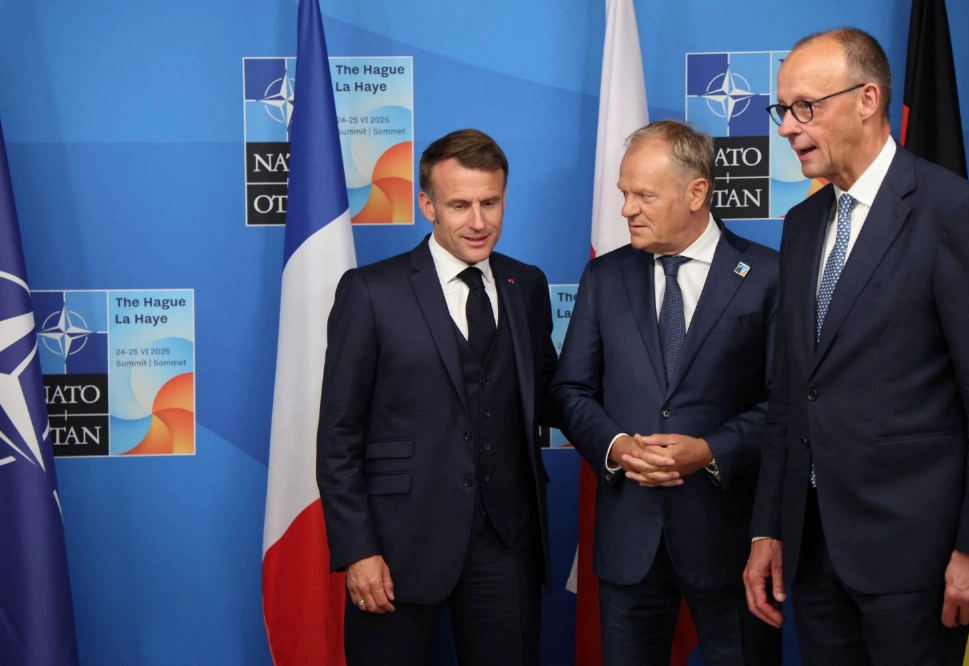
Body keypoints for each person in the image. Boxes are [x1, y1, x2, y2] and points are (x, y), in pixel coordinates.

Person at [744, 28, 969, 666]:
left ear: (867, 99)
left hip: (920, 560)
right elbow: (791, 395)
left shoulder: (954, 213)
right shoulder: (802, 226)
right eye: (784, 110)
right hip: (814, 552)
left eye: (806, 107)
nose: (786, 128)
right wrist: (770, 526)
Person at [316, 129, 558, 666]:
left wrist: (624, 434)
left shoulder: (528, 284)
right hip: (397, 544)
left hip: (505, 540)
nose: (478, 221)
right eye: (460, 205)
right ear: (427, 204)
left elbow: (551, 394)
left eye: (490, 203)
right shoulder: (370, 291)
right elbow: (339, 433)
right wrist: (357, 550)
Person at [552, 119, 781, 666]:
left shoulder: (770, 274)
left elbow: (789, 404)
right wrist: (617, 447)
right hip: (630, 540)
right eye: (624, 194)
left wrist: (710, 450)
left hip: (731, 543)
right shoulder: (604, 278)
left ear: (697, 191)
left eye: (643, 195)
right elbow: (570, 391)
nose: (627, 209)